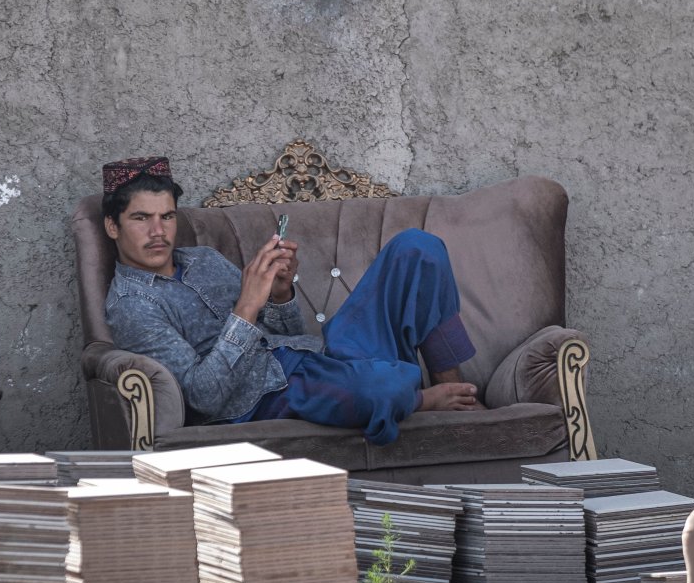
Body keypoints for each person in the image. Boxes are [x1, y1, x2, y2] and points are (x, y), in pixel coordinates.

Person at [99, 156, 482, 445]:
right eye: (141, 219)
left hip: (322, 358)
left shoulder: (203, 260)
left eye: (167, 217)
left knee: (417, 247)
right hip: (269, 397)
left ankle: (458, 397)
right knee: (375, 389)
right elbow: (204, 398)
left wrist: (280, 294)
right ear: (112, 226)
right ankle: (419, 400)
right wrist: (246, 309)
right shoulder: (132, 306)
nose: (158, 231)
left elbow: (289, 333)